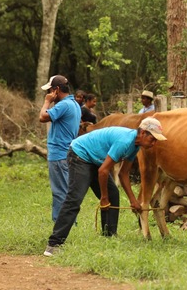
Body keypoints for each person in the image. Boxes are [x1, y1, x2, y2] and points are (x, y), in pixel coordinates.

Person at [43, 117, 167, 256]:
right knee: (74, 200)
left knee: (114, 195)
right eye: (153, 139)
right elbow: (103, 171)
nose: (154, 143)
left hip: (96, 160)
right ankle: (54, 244)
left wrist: (133, 200)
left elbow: (123, 174)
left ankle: (109, 236)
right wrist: (103, 197)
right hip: (80, 155)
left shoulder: (135, 146)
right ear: (143, 133)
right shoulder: (125, 141)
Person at [39, 75, 82, 222]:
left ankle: (61, 225)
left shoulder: (63, 105)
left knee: (59, 192)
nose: (49, 94)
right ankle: (70, 222)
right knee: (66, 190)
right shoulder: (74, 104)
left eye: (50, 90)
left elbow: (42, 117)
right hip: (68, 153)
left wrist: (46, 102)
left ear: (56, 90)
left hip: (58, 154)